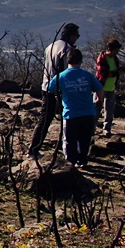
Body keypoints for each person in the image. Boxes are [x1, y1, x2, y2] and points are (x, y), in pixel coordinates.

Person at [28, 23, 80, 158]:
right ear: (71, 35)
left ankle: (34, 148)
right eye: (76, 35)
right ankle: (70, 150)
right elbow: (65, 72)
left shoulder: (50, 46)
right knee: (68, 119)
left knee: (45, 119)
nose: (77, 38)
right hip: (60, 88)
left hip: (47, 86)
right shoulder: (67, 50)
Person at [47, 49, 103, 168]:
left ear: (68, 60)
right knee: (85, 138)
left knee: (69, 140)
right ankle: (82, 160)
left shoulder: (61, 76)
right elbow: (99, 88)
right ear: (81, 60)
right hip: (88, 112)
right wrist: (98, 100)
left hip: (71, 113)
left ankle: (70, 163)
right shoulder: (87, 75)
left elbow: (50, 88)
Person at [94, 38, 125, 137]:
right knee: (96, 109)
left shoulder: (115, 59)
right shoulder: (102, 58)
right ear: (110, 49)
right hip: (101, 87)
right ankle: (92, 128)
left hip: (111, 87)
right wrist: (116, 73)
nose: (117, 52)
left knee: (109, 110)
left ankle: (107, 129)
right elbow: (103, 73)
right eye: (116, 50)